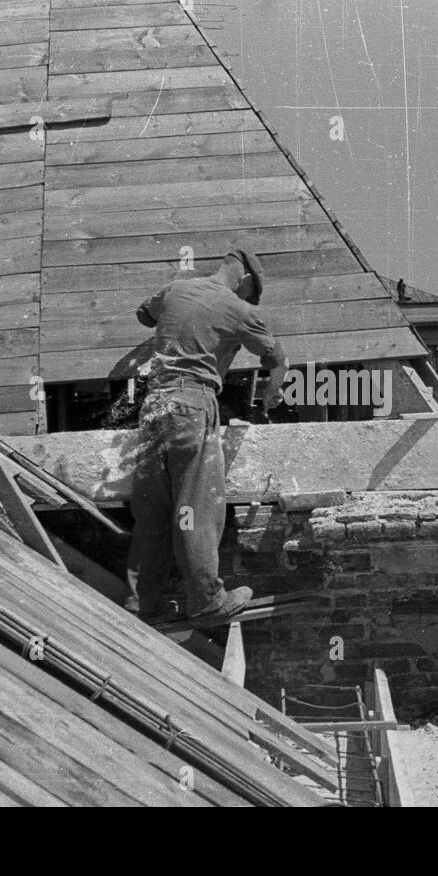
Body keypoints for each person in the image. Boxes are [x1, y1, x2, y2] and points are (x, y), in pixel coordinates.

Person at [126, 249, 287, 623]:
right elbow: (278, 359)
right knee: (195, 508)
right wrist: (272, 392)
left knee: (153, 513)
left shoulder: (176, 289)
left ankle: (140, 605)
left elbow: (143, 315)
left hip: (153, 406)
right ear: (245, 278)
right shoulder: (240, 310)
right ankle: (207, 600)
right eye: (250, 292)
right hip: (192, 405)